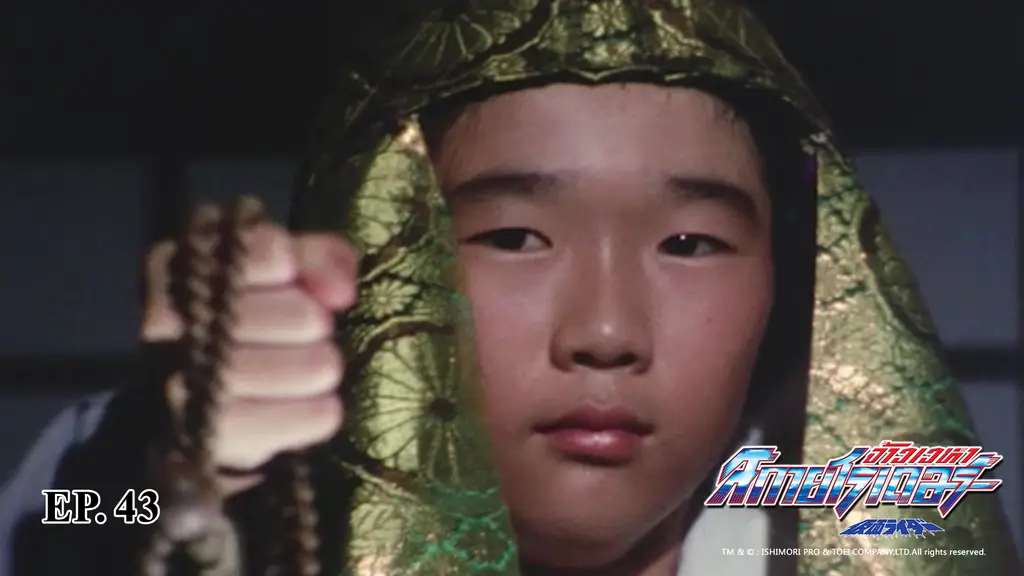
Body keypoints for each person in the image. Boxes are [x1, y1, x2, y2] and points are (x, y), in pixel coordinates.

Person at [1, 1, 1021, 574]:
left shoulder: (848, 516)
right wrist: (174, 465)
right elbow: (71, 522)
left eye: (690, 244)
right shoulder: (234, 491)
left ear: (795, 286)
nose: (606, 331)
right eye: (513, 236)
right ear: (378, 254)